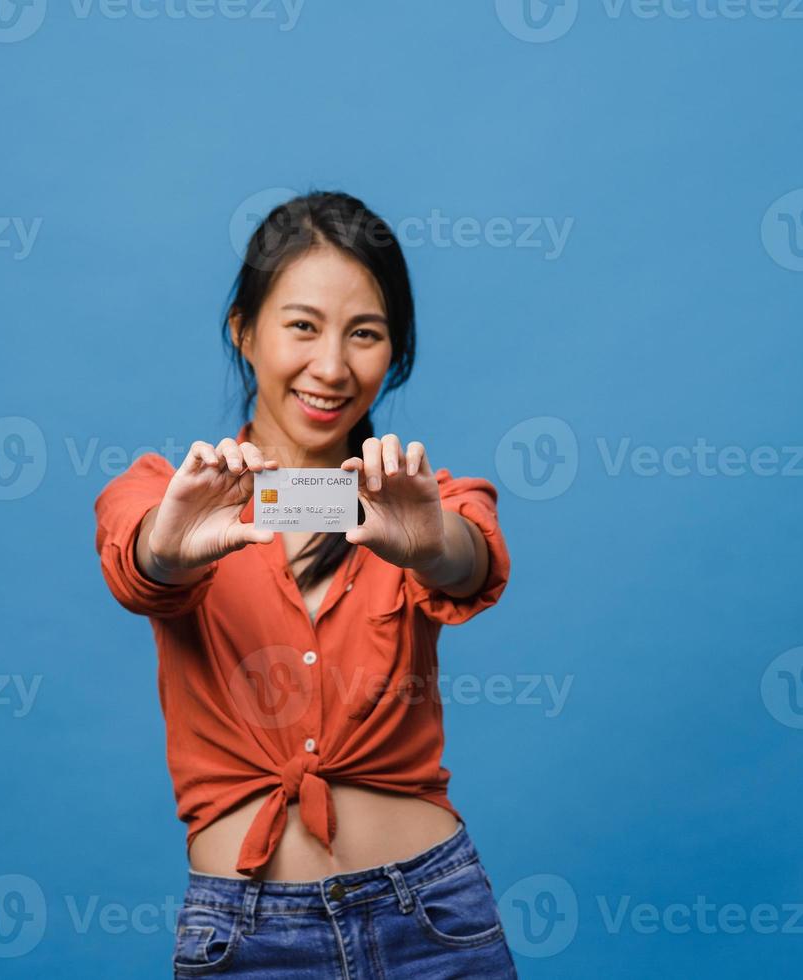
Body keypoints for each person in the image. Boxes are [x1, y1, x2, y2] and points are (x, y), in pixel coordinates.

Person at [94, 191, 518, 977]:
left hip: (434, 918)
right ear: (243, 331)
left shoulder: (424, 500)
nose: (331, 367)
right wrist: (169, 547)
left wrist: (431, 545)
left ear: (394, 351)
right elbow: (137, 558)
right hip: (247, 938)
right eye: (301, 326)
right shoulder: (160, 494)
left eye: (366, 334)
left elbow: (475, 558)